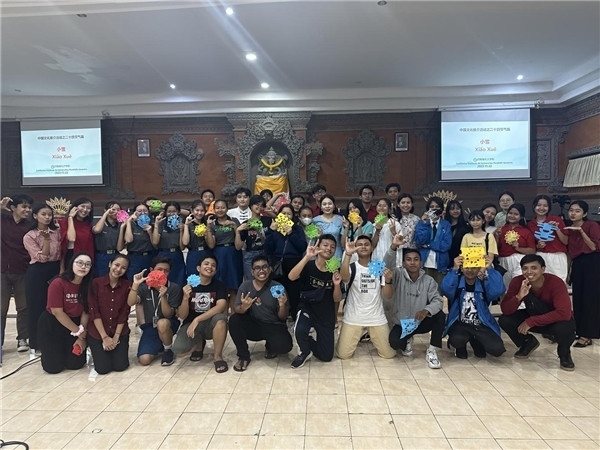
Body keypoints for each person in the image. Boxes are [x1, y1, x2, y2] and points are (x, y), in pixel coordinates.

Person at [499, 254, 576, 371]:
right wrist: (518, 296)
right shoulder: (518, 281)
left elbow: (563, 313)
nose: (529, 272)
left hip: (555, 320)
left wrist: (532, 321)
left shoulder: (556, 282)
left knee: (566, 327)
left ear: (543, 269)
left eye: (534, 268)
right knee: (505, 320)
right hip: (534, 313)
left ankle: (564, 354)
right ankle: (527, 343)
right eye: (525, 268)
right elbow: (505, 310)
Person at [383, 235, 446, 369]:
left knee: (440, 315)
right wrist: (393, 246)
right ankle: (408, 339)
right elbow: (387, 265)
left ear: (421, 263)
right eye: (409, 259)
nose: (412, 263)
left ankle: (432, 350)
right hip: (402, 323)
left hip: (421, 321)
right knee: (395, 343)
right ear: (403, 263)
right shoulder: (398, 275)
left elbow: (437, 300)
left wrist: (426, 310)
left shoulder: (428, 281)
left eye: (416, 259)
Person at [229, 254, 293, 371]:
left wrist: (282, 305)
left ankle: (270, 345)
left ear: (270, 269)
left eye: (264, 267)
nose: (261, 271)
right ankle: (243, 356)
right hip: (255, 325)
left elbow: (283, 317)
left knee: (285, 347)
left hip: (273, 325)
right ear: (252, 272)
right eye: (257, 268)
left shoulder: (278, 287)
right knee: (234, 320)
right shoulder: (245, 286)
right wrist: (244, 307)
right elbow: (237, 309)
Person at [336, 236, 396, 360]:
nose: (363, 247)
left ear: (372, 248)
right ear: (355, 248)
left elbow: (388, 295)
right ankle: (359, 333)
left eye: (366, 244)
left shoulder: (379, 267)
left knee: (389, 354)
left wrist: (388, 281)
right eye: (360, 244)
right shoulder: (351, 267)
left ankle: (366, 334)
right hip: (354, 317)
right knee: (343, 355)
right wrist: (348, 254)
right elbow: (344, 277)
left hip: (376, 317)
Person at [288, 234, 343, 368]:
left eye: (332, 247)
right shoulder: (309, 265)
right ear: (318, 246)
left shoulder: (335, 269)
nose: (329, 249)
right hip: (308, 307)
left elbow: (337, 299)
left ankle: (309, 342)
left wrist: (336, 285)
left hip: (326, 312)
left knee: (326, 356)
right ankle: (304, 351)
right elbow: (291, 277)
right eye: (325, 245)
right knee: (300, 329)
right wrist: (307, 256)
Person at [440, 254, 506, 359]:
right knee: (457, 341)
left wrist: (490, 268)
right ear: (462, 268)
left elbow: (498, 290)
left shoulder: (484, 284)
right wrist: (454, 269)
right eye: (467, 267)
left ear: (479, 268)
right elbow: (445, 289)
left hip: (481, 324)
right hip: (460, 324)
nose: (470, 270)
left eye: (474, 267)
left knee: (496, 349)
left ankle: (475, 340)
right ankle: (460, 346)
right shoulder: (457, 282)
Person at [37, 252, 93, 374]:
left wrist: (81, 336)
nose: (83, 267)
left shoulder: (88, 285)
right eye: (80, 263)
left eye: (87, 264)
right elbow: (57, 312)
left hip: (76, 323)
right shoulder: (58, 283)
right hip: (53, 323)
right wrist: (78, 332)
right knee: (53, 368)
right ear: (72, 264)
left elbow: (86, 311)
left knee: (76, 364)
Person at [172, 255, 229, 373]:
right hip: (191, 325)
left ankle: (218, 356)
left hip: (210, 324)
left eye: (213, 265)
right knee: (179, 351)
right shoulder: (188, 286)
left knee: (221, 320)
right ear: (198, 268)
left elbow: (221, 306)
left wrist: (197, 319)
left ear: (215, 271)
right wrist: (185, 298)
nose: (210, 267)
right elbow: (182, 315)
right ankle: (198, 344)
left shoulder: (219, 285)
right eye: (206, 264)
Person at [127, 257, 183, 366]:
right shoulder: (144, 287)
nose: (162, 273)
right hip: (150, 326)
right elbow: (130, 302)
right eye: (159, 269)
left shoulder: (174, 288)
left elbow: (168, 314)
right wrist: (135, 284)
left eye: (166, 271)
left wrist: (163, 297)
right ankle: (160, 344)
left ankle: (168, 349)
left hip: (168, 323)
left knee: (162, 323)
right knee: (144, 360)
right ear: (151, 270)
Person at [23, 204, 62, 354]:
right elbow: (42, 258)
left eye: (49, 215)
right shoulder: (29, 236)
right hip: (38, 272)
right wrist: (46, 240)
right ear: (35, 216)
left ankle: (55, 339)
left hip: (56, 269)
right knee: (37, 307)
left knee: (55, 306)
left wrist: (62, 271)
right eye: (43, 214)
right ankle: (37, 342)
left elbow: (62, 253)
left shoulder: (57, 232)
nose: (47, 217)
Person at [87, 254, 132, 375]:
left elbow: (124, 312)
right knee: (103, 369)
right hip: (98, 333)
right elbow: (94, 312)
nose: (118, 269)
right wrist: (105, 337)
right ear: (110, 264)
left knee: (120, 366)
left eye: (123, 268)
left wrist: (116, 337)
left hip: (119, 331)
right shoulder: (96, 283)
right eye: (116, 265)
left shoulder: (127, 285)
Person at [564, 200, 600, 348]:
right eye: (571, 210)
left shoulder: (591, 225)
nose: (573, 213)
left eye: (577, 211)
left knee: (590, 299)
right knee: (578, 298)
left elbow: (593, 247)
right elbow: (570, 252)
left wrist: (581, 232)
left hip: (592, 263)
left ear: (584, 213)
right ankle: (580, 331)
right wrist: (569, 271)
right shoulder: (569, 228)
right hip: (578, 264)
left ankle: (588, 334)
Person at [1, 194, 33, 352]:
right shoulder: (3, 220)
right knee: (1, 308)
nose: (27, 210)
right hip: (2, 270)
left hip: (22, 270)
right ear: (13, 207)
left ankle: (22, 339)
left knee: (23, 306)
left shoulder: (30, 225)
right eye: (24, 206)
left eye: (29, 207)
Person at [264, 204, 307, 319]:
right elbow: (267, 249)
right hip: (278, 263)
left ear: (293, 216)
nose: (286, 216)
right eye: (283, 213)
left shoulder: (297, 229)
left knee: (294, 291)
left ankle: (294, 316)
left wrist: (291, 233)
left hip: (294, 263)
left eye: (289, 214)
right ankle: (279, 315)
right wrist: (270, 231)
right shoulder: (274, 228)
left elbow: (302, 247)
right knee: (278, 290)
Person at [205, 199, 243, 309]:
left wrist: (235, 228)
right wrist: (208, 228)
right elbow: (211, 245)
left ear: (227, 209)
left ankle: (234, 315)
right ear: (214, 209)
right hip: (219, 254)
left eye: (222, 207)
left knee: (234, 286)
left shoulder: (234, 220)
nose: (220, 210)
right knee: (222, 286)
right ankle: (223, 314)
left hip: (233, 254)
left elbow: (239, 245)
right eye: (217, 208)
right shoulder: (212, 223)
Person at [527, 195, 568, 283]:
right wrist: (538, 246)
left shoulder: (556, 220)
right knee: (540, 283)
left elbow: (566, 241)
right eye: (539, 205)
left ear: (549, 207)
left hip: (557, 257)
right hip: (540, 256)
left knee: (559, 283)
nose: (541, 208)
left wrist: (557, 229)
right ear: (534, 206)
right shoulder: (530, 224)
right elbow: (531, 246)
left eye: (545, 206)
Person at [497, 203, 536, 288]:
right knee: (504, 288)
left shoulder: (526, 231)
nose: (512, 216)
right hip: (503, 261)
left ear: (521, 217)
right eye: (510, 213)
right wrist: (496, 236)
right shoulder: (501, 230)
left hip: (519, 261)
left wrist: (518, 248)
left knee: (518, 285)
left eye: (516, 214)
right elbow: (496, 249)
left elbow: (532, 250)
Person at [414, 196, 452, 284]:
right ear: (428, 209)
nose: (434, 209)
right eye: (432, 207)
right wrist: (424, 223)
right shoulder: (422, 223)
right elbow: (419, 241)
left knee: (439, 290)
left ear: (441, 209)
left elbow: (446, 245)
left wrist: (428, 245)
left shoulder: (446, 224)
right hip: (425, 263)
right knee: (424, 289)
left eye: (437, 206)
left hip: (440, 263)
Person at [235, 195, 272, 280]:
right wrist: (237, 231)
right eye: (257, 205)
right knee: (250, 281)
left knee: (266, 279)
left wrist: (270, 212)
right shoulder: (246, 223)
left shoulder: (268, 220)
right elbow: (238, 247)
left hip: (266, 252)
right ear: (251, 206)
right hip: (250, 254)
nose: (259, 207)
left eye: (261, 205)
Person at [152, 201, 186, 286]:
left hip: (177, 255)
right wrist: (156, 225)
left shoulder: (182, 224)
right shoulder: (161, 223)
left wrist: (182, 230)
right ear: (165, 212)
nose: (171, 214)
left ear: (178, 212)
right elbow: (155, 242)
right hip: (163, 255)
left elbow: (182, 247)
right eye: (169, 211)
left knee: (178, 282)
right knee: (162, 281)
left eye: (174, 211)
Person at [92, 201, 126, 277]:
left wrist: (122, 228)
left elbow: (119, 248)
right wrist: (106, 214)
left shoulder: (120, 225)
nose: (116, 212)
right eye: (113, 209)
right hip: (101, 255)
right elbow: (96, 230)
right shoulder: (99, 222)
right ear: (105, 210)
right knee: (101, 278)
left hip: (115, 255)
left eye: (118, 210)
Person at [59, 197, 95, 267]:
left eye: (88, 208)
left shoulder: (88, 225)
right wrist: (70, 218)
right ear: (75, 207)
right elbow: (71, 238)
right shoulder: (64, 222)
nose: (85, 210)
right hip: (71, 255)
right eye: (82, 206)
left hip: (85, 257)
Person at [124, 202, 155, 281]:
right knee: (133, 281)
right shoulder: (131, 225)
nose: (142, 213)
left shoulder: (153, 225)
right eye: (139, 211)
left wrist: (150, 232)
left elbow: (155, 244)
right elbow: (128, 240)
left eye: (145, 211)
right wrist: (129, 221)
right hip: (134, 258)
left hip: (149, 257)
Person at [182, 199, 210, 278]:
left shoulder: (207, 223)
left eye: (202, 211)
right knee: (193, 278)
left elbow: (211, 244)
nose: (199, 213)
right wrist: (186, 225)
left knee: (207, 277)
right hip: (193, 253)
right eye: (197, 210)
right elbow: (185, 242)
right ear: (192, 210)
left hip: (206, 252)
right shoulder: (189, 224)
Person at [341, 198, 374, 264]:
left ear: (360, 209)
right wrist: (346, 228)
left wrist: (359, 227)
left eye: (355, 208)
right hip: (348, 254)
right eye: (350, 209)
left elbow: (363, 242)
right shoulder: (346, 224)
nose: (352, 210)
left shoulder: (368, 224)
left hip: (362, 255)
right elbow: (343, 245)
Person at [371, 198, 402, 267]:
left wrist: (393, 232)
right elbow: (372, 246)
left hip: (392, 258)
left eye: (384, 206)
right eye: (379, 205)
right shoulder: (373, 225)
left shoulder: (395, 224)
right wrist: (377, 231)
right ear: (376, 208)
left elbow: (400, 244)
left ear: (389, 209)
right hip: (377, 258)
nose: (381, 208)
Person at [312, 194, 344, 259]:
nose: (327, 206)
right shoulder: (314, 221)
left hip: (336, 253)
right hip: (321, 253)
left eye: (330, 204)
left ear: (334, 206)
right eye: (324, 204)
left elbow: (343, 239)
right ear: (321, 207)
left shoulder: (340, 219)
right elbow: (312, 240)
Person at [445, 200, 469, 268]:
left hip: (461, 260)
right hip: (445, 259)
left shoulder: (466, 227)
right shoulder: (444, 226)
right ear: (448, 211)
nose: (455, 211)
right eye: (452, 209)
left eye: (458, 208)